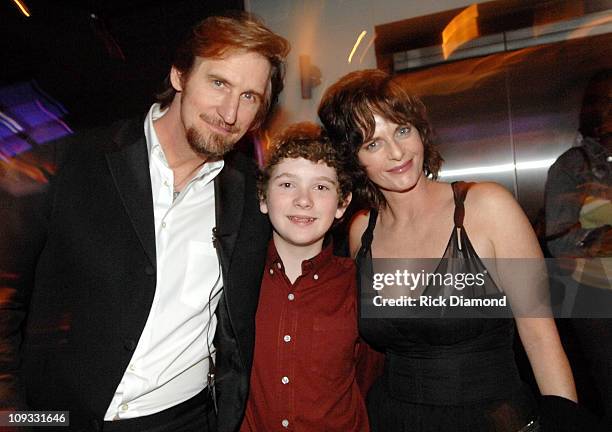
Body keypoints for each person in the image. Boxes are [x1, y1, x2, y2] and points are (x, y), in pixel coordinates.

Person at [0, 13, 289, 432]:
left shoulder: (250, 195)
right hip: (58, 417)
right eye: (219, 83)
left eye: (249, 97)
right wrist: (15, 418)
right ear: (179, 75)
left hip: (186, 419)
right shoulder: (70, 164)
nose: (230, 112)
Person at [318, 69, 582, 432]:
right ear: (353, 158)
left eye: (402, 129)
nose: (396, 152)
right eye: (372, 143)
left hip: (490, 420)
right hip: (392, 419)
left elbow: (540, 338)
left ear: (419, 129)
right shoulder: (361, 231)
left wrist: (564, 422)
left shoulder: (487, 208)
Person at [239, 122, 376, 431]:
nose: (304, 200)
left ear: (342, 204)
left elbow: (371, 374)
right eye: (287, 184)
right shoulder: (233, 279)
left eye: (321, 187)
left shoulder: (361, 285)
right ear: (263, 198)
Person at [544, 69, 612, 429]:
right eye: (606, 102)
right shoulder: (572, 167)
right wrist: (603, 237)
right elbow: (558, 242)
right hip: (597, 301)